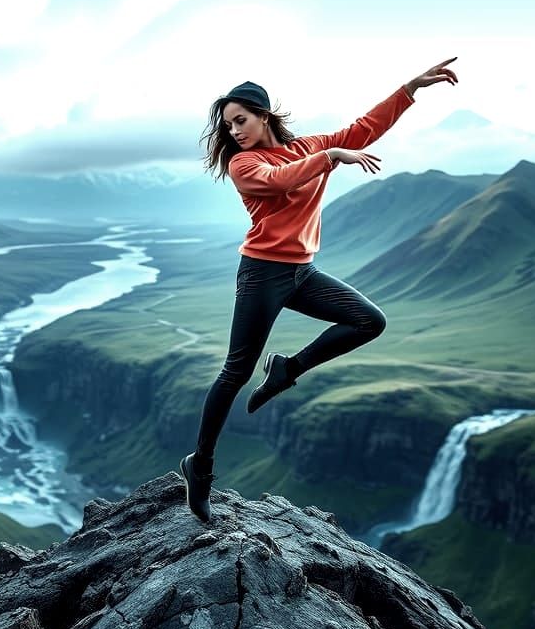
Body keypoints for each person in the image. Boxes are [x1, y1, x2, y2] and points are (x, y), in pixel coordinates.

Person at [180, 57, 459, 522]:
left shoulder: (307, 146)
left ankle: (288, 368)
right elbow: (281, 180)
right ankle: (200, 466)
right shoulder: (244, 164)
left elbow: (362, 129)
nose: (234, 132)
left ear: (264, 114)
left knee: (369, 321)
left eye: (241, 120)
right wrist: (331, 157)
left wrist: (409, 89)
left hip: (301, 272)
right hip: (262, 274)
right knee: (234, 374)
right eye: (227, 126)